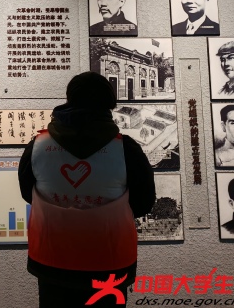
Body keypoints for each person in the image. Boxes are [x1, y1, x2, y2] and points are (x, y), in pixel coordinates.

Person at [18, 72, 155, 307]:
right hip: (110, 261)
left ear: (69, 99)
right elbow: (144, 203)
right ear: (109, 105)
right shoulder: (127, 149)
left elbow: (27, 193)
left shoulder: (38, 146)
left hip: (52, 260)